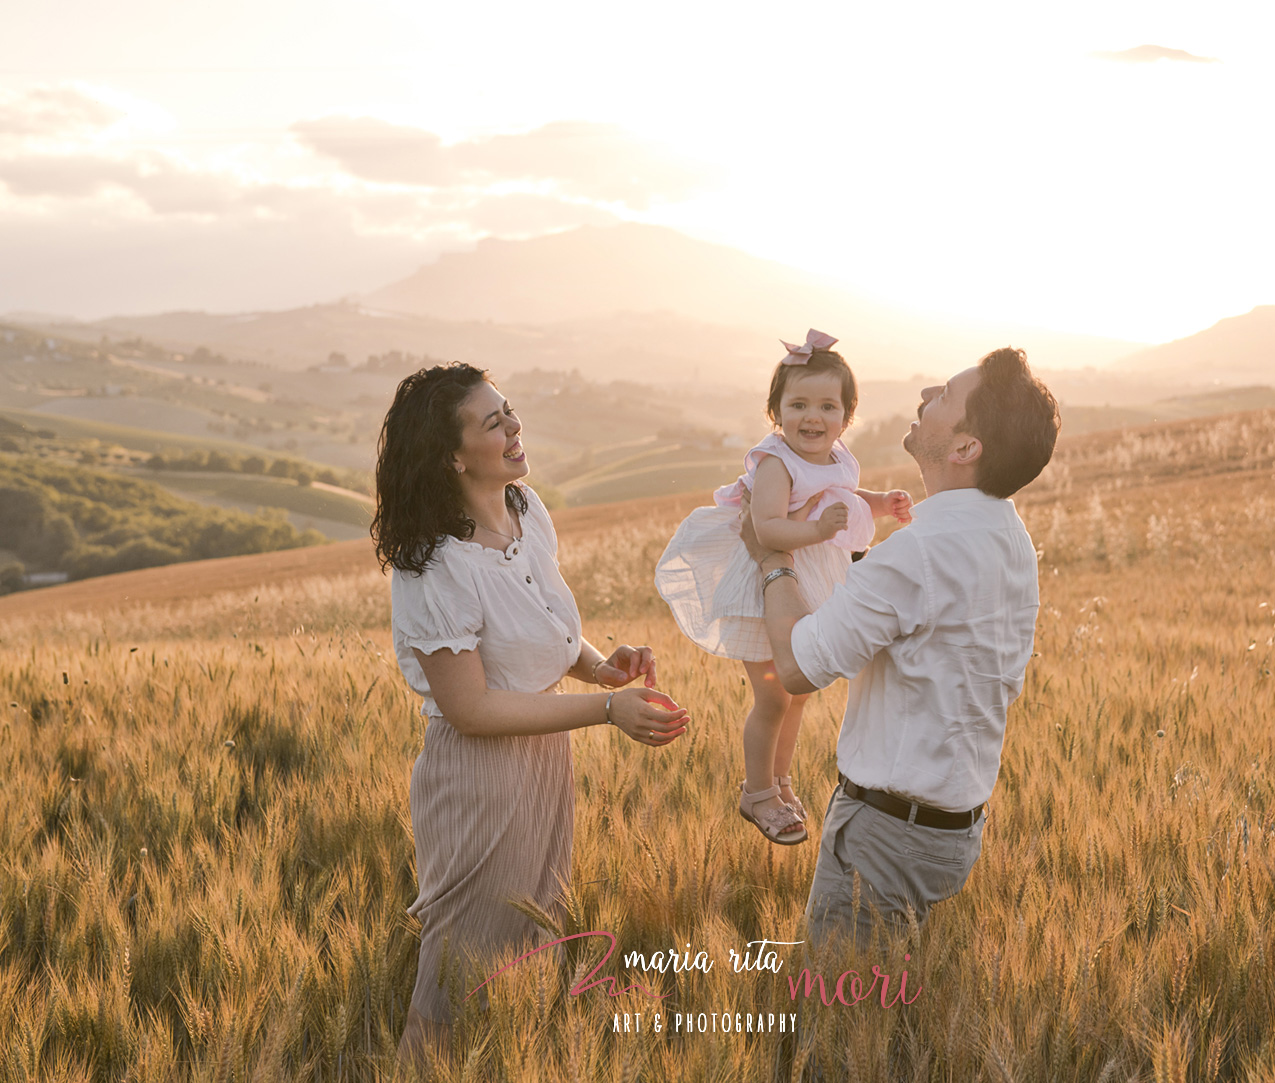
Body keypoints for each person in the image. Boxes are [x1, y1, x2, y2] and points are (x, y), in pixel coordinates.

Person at [371, 363, 690, 1065]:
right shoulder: (434, 565)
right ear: (452, 456)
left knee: (526, 962)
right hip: (480, 779)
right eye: (493, 421)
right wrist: (607, 707)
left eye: (509, 410)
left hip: (545, 765)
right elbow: (472, 708)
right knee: (452, 984)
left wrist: (603, 664)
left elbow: (549, 629)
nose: (514, 426)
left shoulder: (526, 509)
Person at [740, 346, 1058, 946]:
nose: (922, 399)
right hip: (955, 832)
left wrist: (773, 559)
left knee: (838, 1024)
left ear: (966, 448)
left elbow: (797, 667)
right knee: (896, 1023)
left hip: (885, 838)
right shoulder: (1010, 535)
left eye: (941, 396)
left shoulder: (917, 552)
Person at [656, 331, 911, 845]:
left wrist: (882, 502)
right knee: (773, 698)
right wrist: (818, 530)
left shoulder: (834, 456)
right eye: (797, 405)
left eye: (826, 406)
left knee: (799, 696)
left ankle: (780, 780)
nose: (812, 417)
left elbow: (840, 491)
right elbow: (768, 528)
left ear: (847, 416)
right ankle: (757, 792)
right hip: (766, 588)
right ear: (775, 413)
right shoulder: (774, 463)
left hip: (808, 584)